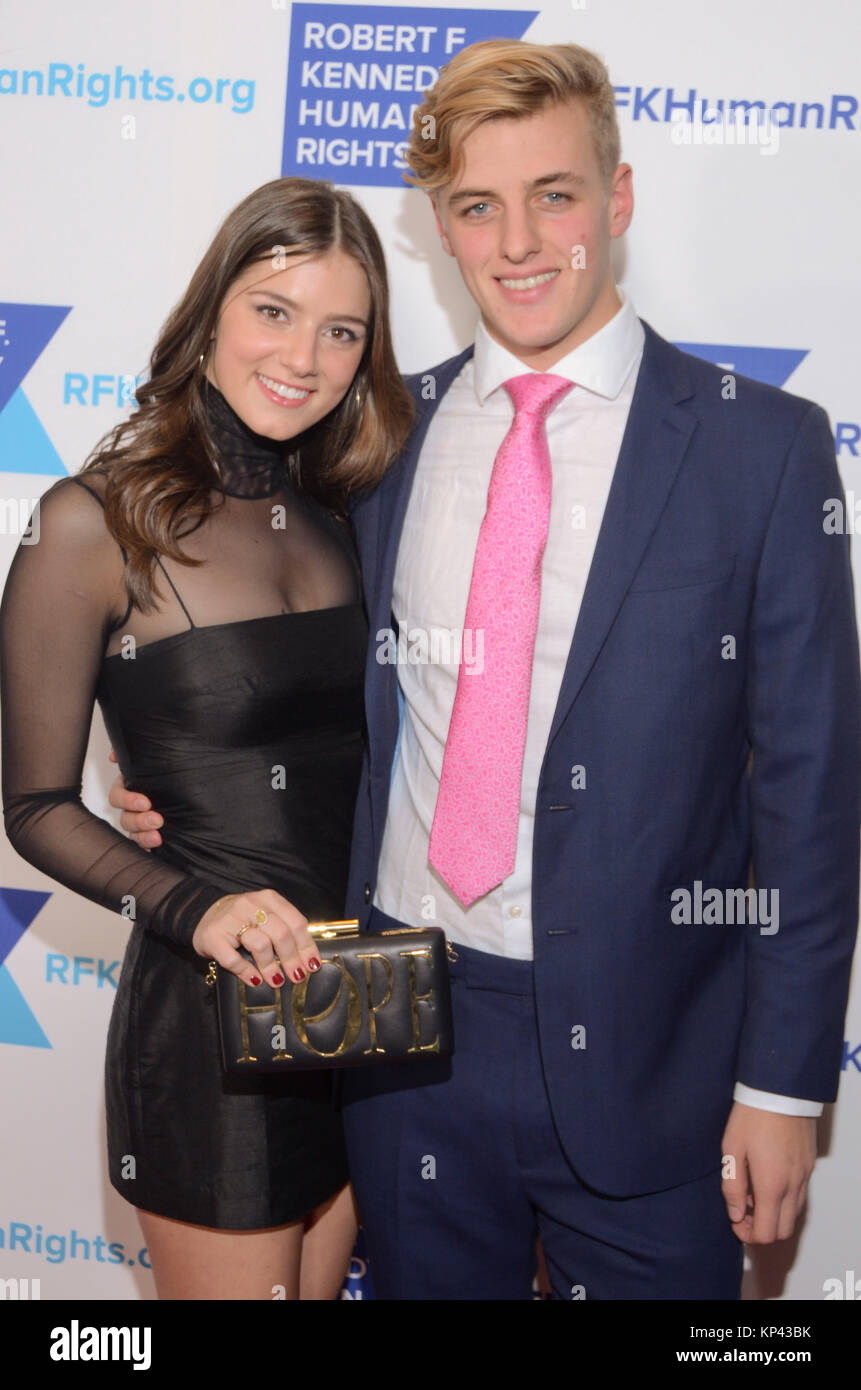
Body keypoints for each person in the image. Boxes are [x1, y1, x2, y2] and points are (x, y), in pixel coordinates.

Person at [111, 41, 861, 1300]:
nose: (518, 241)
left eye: (554, 195)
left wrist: (783, 1084)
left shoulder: (764, 451)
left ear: (616, 202)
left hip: (654, 1058)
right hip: (401, 1033)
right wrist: (181, 791)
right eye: (476, 206)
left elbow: (812, 797)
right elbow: (285, 672)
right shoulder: (375, 445)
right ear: (442, 231)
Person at [0, 176, 413, 1300]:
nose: (304, 356)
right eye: (273, 311)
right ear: (212, 311)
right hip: (208, 1021)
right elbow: (32, 807)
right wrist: (198, 905)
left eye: (343, 330)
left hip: (360, 1008)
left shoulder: (351, 510)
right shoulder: (91, 524)